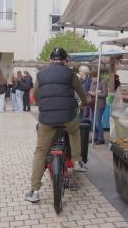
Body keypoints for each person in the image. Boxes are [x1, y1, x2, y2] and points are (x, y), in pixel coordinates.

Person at [26, 48, 88, 203]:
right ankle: (77, 160)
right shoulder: (70, 74)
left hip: (46, 119)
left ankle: (34, 191)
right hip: (68, 116)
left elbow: (35, 95)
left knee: (40, 152)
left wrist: (44, 104)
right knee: (74, 131)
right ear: (65, 60)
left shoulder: (41, 74)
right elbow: (80, 92)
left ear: (50, 59)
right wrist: (85, 103)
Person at [89, 70, 108, 145]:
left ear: (98, 76)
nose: (93, 79)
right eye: (92, 77)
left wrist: (95, 94)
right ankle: (95, 136)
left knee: (97, 122)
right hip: (92, 104)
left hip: (100, 105)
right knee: (92, 121)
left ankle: (101, 138)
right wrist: (90, 93)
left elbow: (105, 94)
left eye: (94, 77)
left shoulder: (102, 82)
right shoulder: (92, 83)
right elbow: (91, 90)